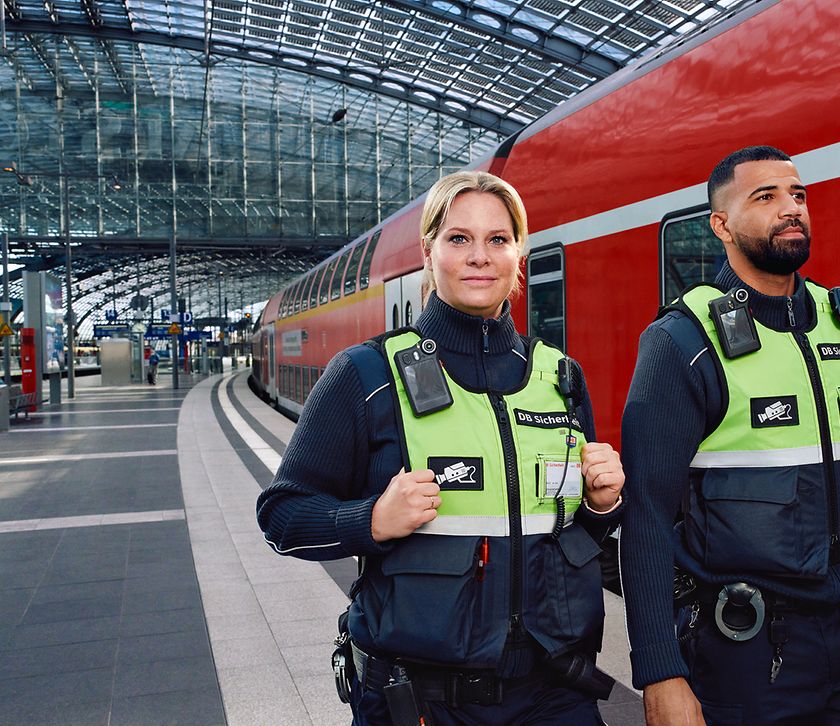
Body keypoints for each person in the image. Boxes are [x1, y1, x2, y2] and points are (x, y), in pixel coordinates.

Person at [257, 171, 625, 725]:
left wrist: (600, 508)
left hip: (555, 694)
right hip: (424, 701)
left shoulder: (561, 378)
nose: (480, 256)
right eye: (459, 239)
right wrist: (373, 520)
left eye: (498, 240)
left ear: (518, 253)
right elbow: (282, 517)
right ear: (429, 251)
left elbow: (562, 536)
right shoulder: (366, 375)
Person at [620, 146, 840, 725]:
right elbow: (645, 514)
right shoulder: (681, 342)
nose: (790, 209)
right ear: (721, 225)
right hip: (748, 647)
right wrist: (659, 672)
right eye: (765, 198)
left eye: (798, 196)